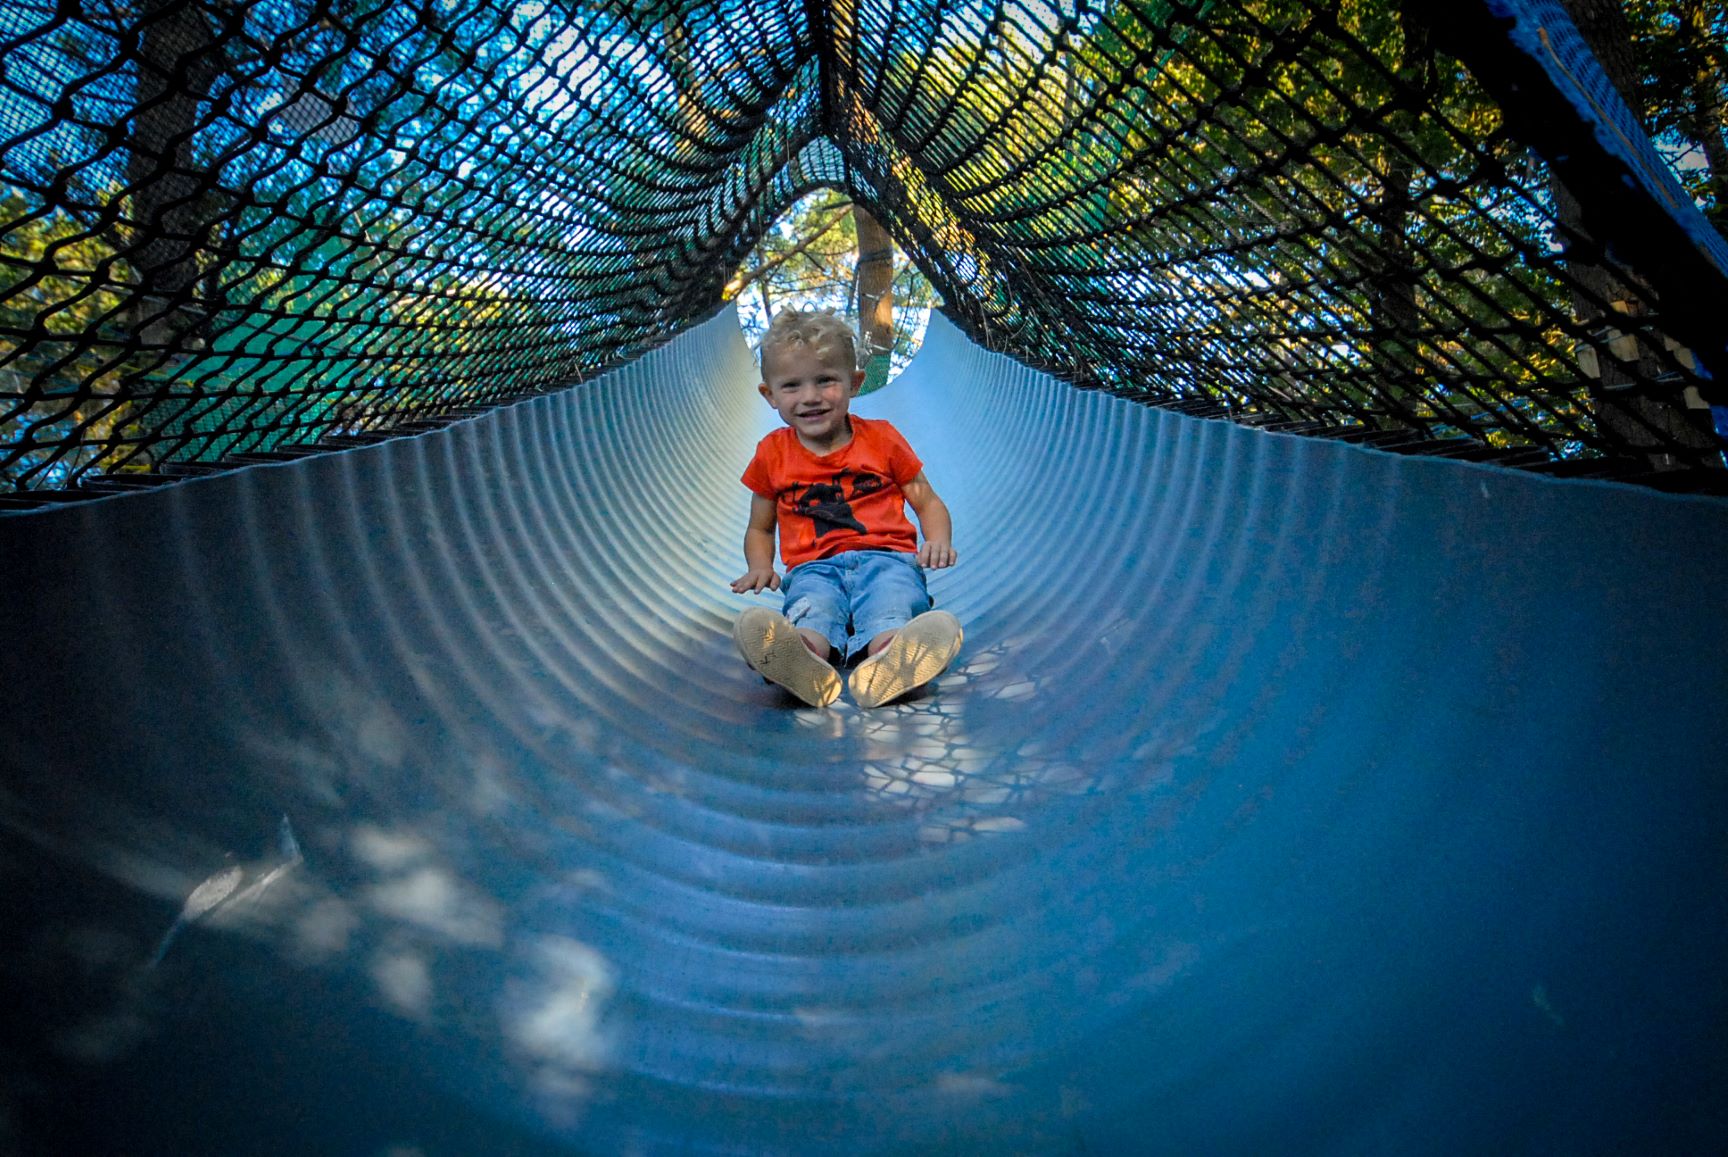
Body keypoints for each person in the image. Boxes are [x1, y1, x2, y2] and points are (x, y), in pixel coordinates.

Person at [730, 308, 962, 708]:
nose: (810, 397)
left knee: (892, 601)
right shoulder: (772, 453)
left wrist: (937, 540)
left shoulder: (883, 439)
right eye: (792, 386)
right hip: (813, 567)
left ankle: (893, 661)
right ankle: (799, 661)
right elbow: (761, 528)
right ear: (769, 395)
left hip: (888, 559)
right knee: (813, 608)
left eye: (825, 380)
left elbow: (926, 499)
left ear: (854, 383)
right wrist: (761, 567)